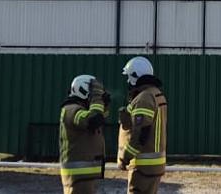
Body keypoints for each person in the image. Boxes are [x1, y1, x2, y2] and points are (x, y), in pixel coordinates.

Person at [117, 57, 167, 194]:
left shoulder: (144, 97)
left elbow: (141, 133)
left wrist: (125, 156)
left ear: (135, 75)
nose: (128, 81)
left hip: (143, 166)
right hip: (153, 165)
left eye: (129, 77)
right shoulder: (156, 94)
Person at [59, 74, 110, 193]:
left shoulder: (80, 110)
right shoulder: (71, 109)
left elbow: (100, 119)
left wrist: (104, 105)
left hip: (83, 175)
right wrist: (97, 98)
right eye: (93, 94)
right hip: (78, 175)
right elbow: (93, 120)